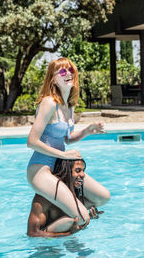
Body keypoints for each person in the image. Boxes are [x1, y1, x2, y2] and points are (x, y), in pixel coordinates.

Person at [27, 57, 110, 228]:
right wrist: (64, 155)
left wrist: (88, 130)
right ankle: (45, 238)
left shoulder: (68, 105)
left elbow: (66, 139)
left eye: (71, 70)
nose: (68, 74)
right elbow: (32, 141)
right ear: (53, 79)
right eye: (63, 71)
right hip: (40, 170)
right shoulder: (49, 102)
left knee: (103, 197)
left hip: (61, 167)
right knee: (82, 218)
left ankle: (64, 215)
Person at [27, 158, 103, 237]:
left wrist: (89, 217)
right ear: (66, 172)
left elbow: (77, 222)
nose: (83, 175)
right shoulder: (44, 198)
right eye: (77, 170)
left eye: (83, 170)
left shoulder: (75, 193)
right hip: (47, 244)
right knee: (69, 221)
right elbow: (32, 233)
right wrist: (69, 233)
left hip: (66, 237)